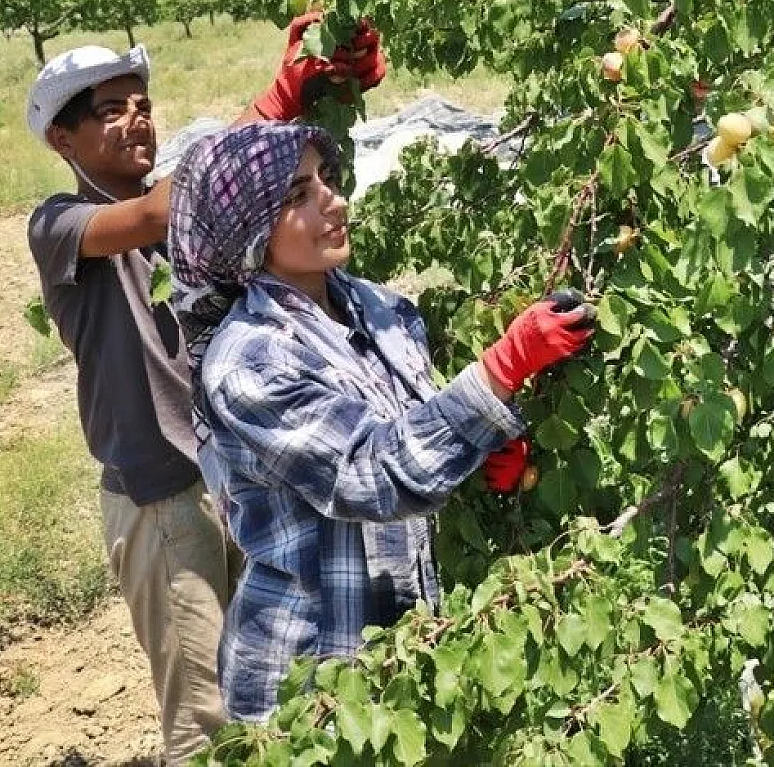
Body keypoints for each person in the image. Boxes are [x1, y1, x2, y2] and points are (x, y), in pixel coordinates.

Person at [24, 14, 385, 763]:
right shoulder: (60, 224)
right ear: (62, 140)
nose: (137, 119)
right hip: (161, 499)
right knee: (204, 719)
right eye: (110, 110)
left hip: (235, 481)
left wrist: (322, 90)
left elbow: (244, 197)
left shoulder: (177, 213)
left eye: (143, 104)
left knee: (268, 678)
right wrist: (277, 97)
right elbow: (169, 206)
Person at [166, 121, 595, 722]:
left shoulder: (380, 309)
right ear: (248, 232)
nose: (334, 201)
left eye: (328, 179)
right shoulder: (251, 360)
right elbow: (370, 475)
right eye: (297, 195)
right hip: (308, 679)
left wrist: (480, 450)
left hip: (403, 646)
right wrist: (502, 369)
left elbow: (413, 432)